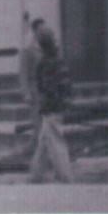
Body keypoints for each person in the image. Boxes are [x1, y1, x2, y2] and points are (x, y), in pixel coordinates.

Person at [28, 27, 75, 184]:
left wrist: (45, 99)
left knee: (55, 140)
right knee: (44, 139)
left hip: (51, 106)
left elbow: (44, 86)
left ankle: (65, 176)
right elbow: (67, 83)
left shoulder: (44, 63)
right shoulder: (59, 60)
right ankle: (36, 174)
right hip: (59, 104)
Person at [17, 17, 46, 133]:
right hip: (35, 89)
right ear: (35, 31)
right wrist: (26, 93)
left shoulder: (46, 47)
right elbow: (23, 72)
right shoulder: (28, 49)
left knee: (47, 123)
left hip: (46, 89)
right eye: (40, 30)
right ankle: (38, 141)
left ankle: (39, 143)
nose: (43, 32)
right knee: (38, 122)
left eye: (44, 30)